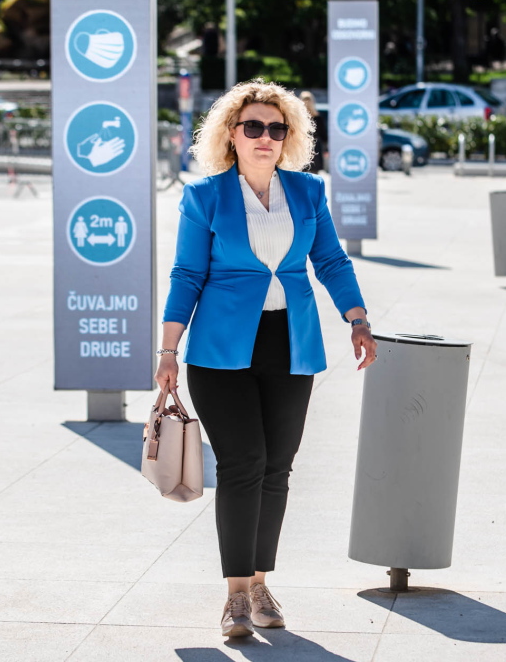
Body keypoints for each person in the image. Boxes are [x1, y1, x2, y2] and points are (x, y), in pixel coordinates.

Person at [155, 78, 377, 639]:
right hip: (220, 352)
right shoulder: (205, 197)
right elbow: (187, 274)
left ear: (289, 137)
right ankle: (234, 596)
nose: (265, 137)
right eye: (253, 126)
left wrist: (357, 318)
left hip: (290, 345)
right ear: (232, 134)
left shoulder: (306, 193)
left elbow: (329, 259)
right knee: (243, 462)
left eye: (277, 129)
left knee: (277, 465)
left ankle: (258, 581)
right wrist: (168, 349)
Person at [299, 91, 324, 173]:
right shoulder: (317, 118)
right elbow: (323, 135)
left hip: (302, 147)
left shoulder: (298, 118)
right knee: (313, 176)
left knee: (302, 174)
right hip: (312, 148)